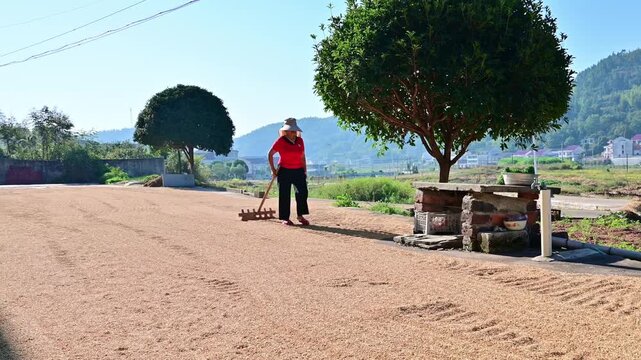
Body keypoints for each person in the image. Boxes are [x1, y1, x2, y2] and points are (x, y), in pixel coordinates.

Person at [268, 118, 310, 226]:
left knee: (302, 193)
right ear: (286, 131)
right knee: (284, 194)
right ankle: (285, 218)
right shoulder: (281, 141)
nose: (294, 133)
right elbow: (270, 154)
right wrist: (273, 170)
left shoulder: (300, 141)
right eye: (292, 131)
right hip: (284, 170)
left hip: (298, 170)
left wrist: (305, 170)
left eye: (295, 130)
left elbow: (302, 156)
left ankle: (300, 216)